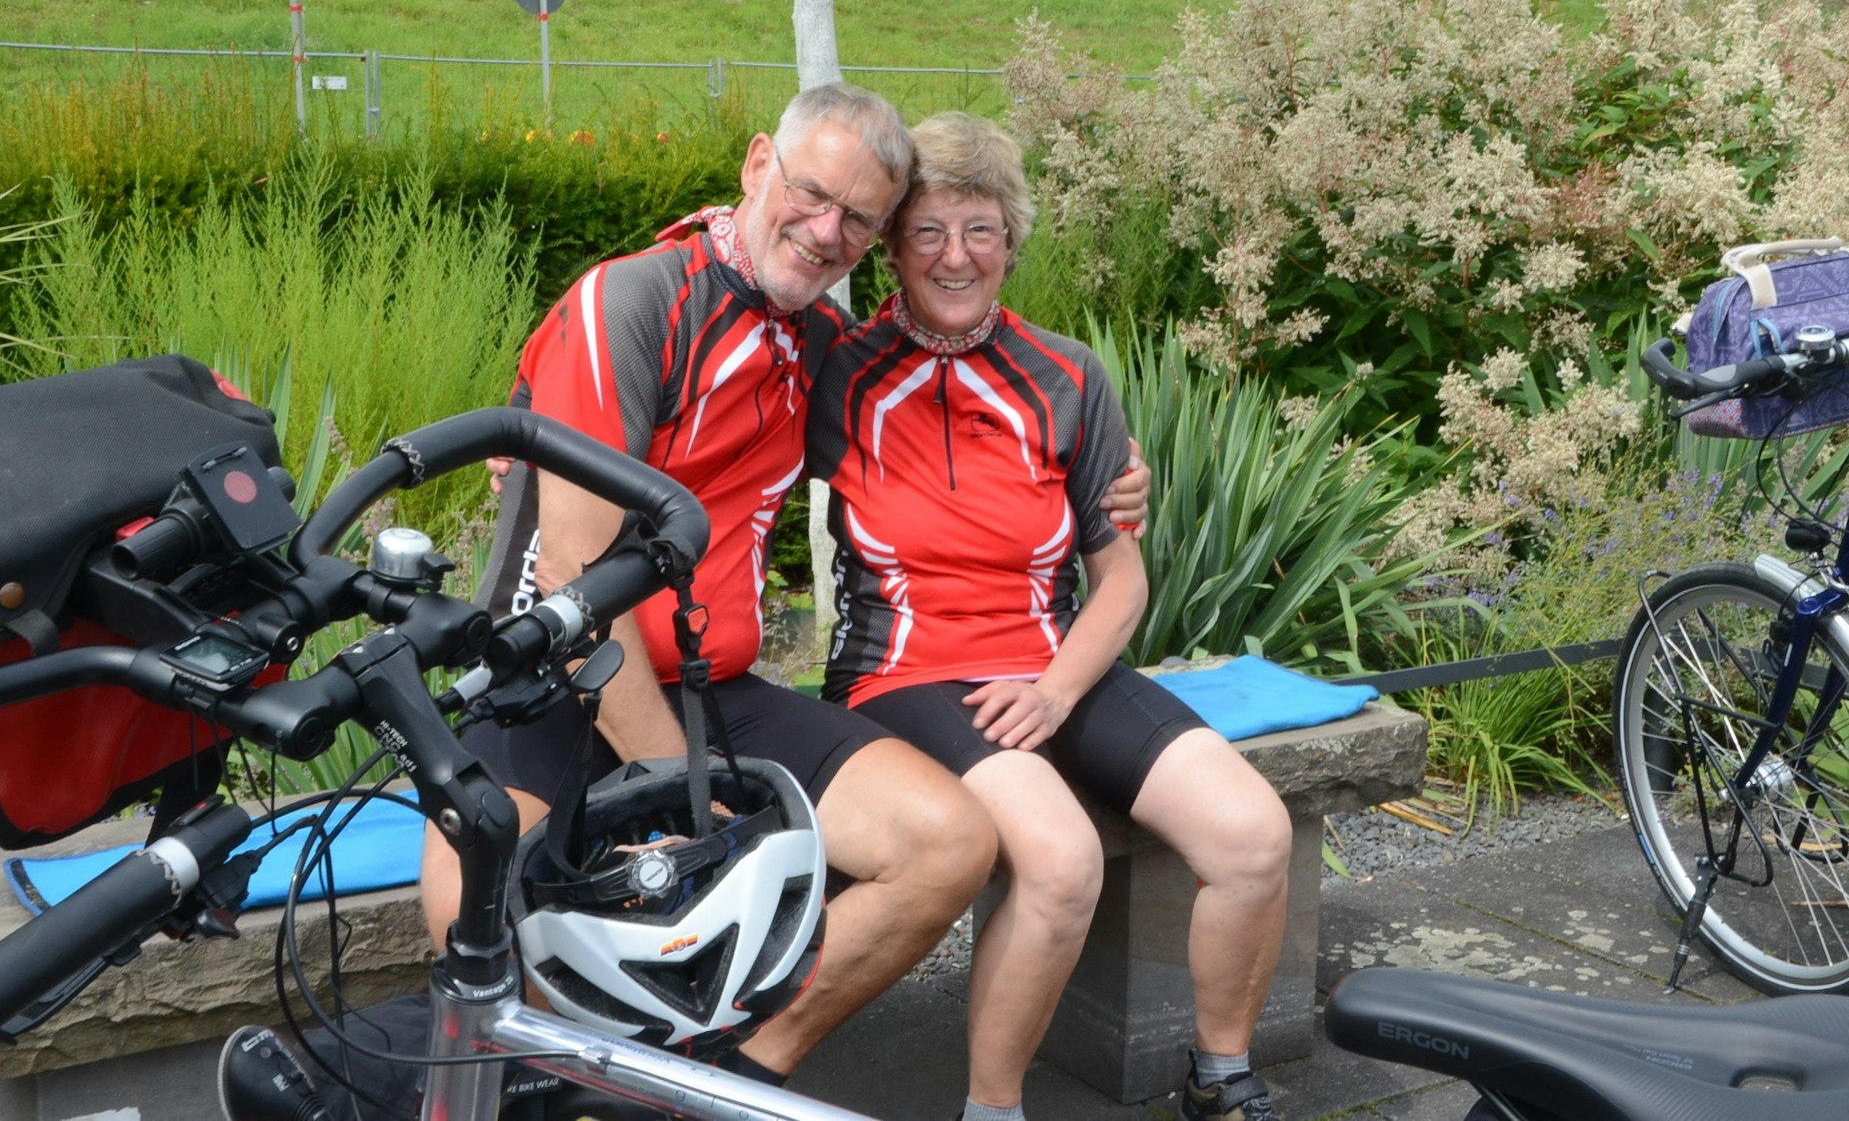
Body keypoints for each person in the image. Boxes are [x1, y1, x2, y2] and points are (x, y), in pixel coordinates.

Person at [418, 84, 1148, 1096]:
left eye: (856, 221)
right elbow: (578, 591)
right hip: (549, 677)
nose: (823, 231)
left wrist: (1106, 484)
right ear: (759, 163)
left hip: (715, 689)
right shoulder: (630, 301)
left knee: (948, 842)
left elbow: (936, 447)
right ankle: (583, 1094)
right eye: (809, 193)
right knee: (473, 909)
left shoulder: (812, 349)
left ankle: (730, 1083)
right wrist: (688, 801)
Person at [807, 113, 1295, 1121]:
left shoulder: (1067, 374)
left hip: (1048, 665)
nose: (955, 255)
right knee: (1060, 859)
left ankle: (1222, 1082)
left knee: (1251, 834)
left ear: (1011, 242)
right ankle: (993, 1107)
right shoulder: (836, 370)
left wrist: (1057, 688)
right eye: (930, 231)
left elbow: (1119, 576)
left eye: (980, 229)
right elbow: (714, 391)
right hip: (903, 673)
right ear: (891, 247)